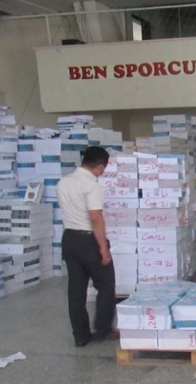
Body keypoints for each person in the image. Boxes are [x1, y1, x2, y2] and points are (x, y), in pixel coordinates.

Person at [56, 146, 119, 347]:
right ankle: (103, 329)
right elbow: (95, 218)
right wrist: (103, 248)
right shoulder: (91, 186)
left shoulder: (63, 182)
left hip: (69, 239)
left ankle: (81, 335)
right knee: (106, 285)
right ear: (100, 166)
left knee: (76, 290)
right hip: (88, 240)